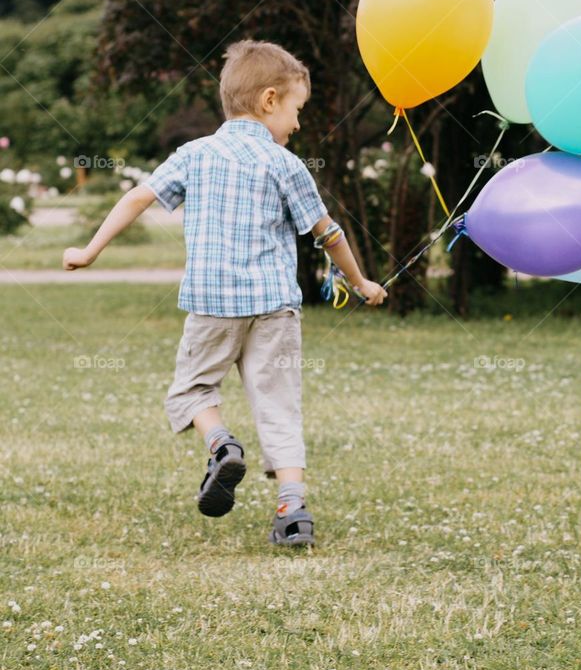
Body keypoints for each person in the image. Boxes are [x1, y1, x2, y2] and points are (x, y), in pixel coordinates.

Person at [62, 39, 387, 548]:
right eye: (297, 110)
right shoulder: (287, 165)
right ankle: (293, 512)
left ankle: (220, 444)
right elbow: (329, 233)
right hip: (275, 308)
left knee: (192, 390)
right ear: (270, 100)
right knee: (279, 405)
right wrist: (361, 282)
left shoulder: (196, 153)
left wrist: (90, 249)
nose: (298, 125)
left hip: (212, 304)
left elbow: (138, 197)